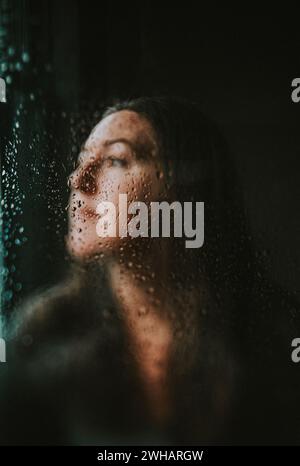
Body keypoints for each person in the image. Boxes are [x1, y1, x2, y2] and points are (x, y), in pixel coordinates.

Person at [1, 96, 299, 445]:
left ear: (182, 188)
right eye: (81, 161)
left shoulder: (277, 338)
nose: (79, 181)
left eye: (115, 159)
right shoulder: (44, 334)